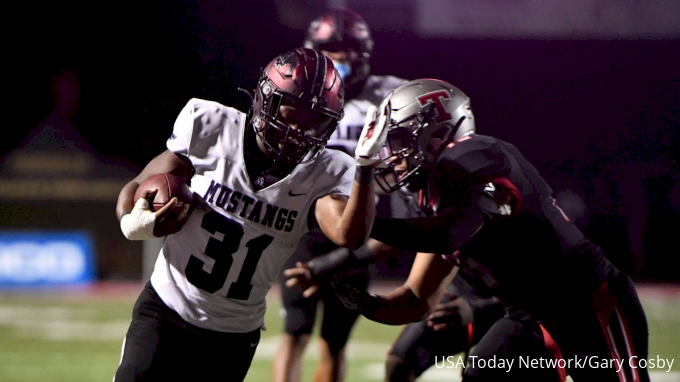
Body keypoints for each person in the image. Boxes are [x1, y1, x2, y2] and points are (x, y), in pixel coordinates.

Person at [322, 78, 650, 381]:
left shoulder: (478, 155)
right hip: (528, 318)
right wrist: (368, 304)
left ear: (435, 133)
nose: (390, 156)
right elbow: (416, 299)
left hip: (586, 303)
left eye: (396, 141)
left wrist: (365, 225)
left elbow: (448, 233)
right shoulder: (431, 195)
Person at [112, 47, 388, 382]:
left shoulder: (325, 171)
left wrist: (365, 169)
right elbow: (136, 188)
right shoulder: (210, 125)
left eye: (313, 121)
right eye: (291, 113)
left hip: (233, 335)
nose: (298, 130)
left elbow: (350, 234)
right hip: (166, 310)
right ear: (265, 100)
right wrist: (134, 222)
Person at [272, 8, 408, 382]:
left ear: (363, 51)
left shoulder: (390, 95)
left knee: (335, 340)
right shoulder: (303, 93)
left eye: (348, 47)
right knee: (294, 331)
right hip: (303, 224)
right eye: (331, 47)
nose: (341, 56)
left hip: (359, 229)